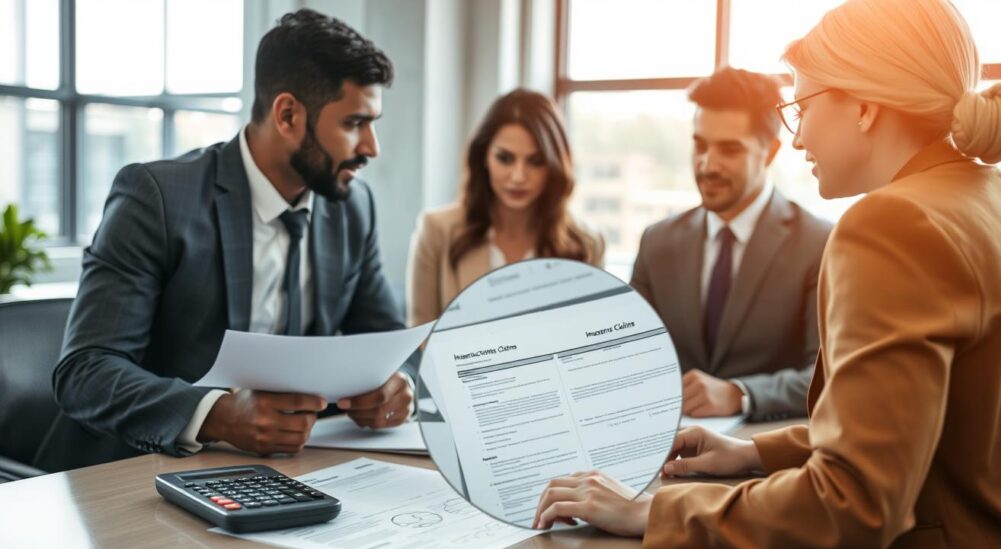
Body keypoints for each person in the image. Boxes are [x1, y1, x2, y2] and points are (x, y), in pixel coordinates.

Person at [533, 0, 1001, 549]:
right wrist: (755, 453)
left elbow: (857, 501)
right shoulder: (1000, 199)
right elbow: (923, 426)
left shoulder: (891, 224)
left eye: (802, 106)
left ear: (864, 107)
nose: (796, 138)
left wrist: (653, 510)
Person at [38, 9, 415, 472]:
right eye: (355, 123)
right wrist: (216, 415)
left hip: (288, 474)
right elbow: (86, 372)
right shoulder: (157, 199)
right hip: (138, 475)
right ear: (288, 114)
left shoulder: (352, 209)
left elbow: (388, 346)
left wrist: (398, 388)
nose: (372, 147)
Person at [631, 67, 832, 423]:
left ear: (769, 152)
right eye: (700, 145)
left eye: (729, 149)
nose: (708, 164)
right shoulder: (657, 242)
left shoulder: (818, 243)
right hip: (667, 456)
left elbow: (825, 374)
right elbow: (628, 361)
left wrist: (740, 393)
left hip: (766, 457)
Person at [406, 89, 604, 326]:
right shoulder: (436, 230)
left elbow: (591, 339)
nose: (519, 177)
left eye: (536, 161)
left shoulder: (587, 243)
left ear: (554, 166)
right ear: (484, 157)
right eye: (505, 158)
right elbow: (419, 338)